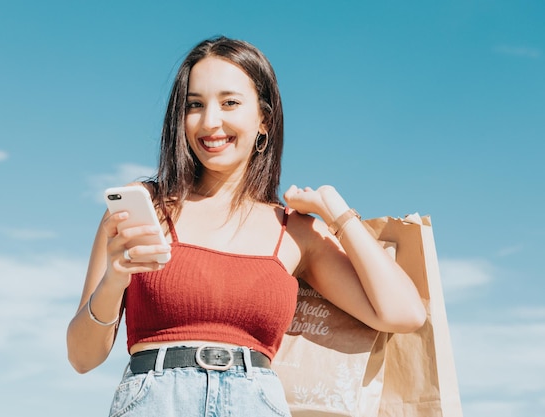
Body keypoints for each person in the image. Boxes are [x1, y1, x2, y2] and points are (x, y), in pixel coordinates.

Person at [66, 36, 426, 417]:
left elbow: (404, 314)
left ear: (264, 120)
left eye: (230, 103)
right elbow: (82, 357)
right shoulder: (145, 208)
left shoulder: (295, 231)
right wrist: (115, 279)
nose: (210, 122)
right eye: (195, 105)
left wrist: (336, 212)